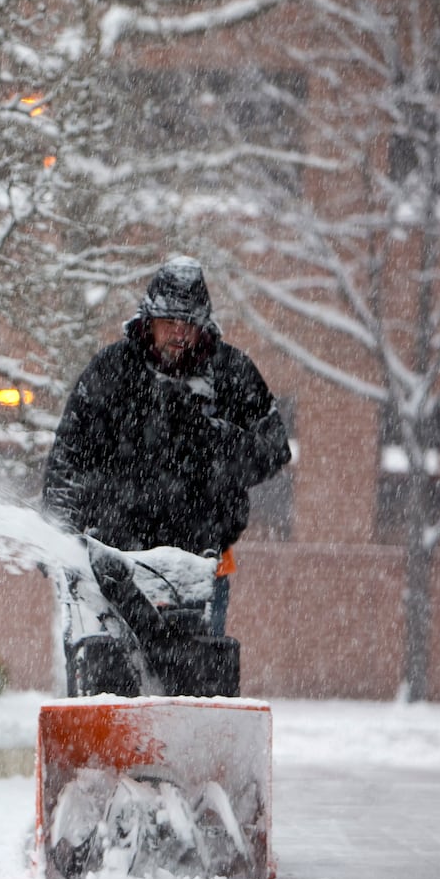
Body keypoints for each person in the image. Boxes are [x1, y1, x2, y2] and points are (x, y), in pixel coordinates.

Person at [42, 256, 291, 642]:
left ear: (203, 325)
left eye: (188, 322)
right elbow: (67, 459)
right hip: (114, 563)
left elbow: (275, 448)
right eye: (168, 321)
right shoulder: (112, 371)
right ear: (148, 320)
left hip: (200, 564)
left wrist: (210, 437)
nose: (179, 332)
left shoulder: (231, 373)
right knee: (109, 675)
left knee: (193, 681)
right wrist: (58, 536)